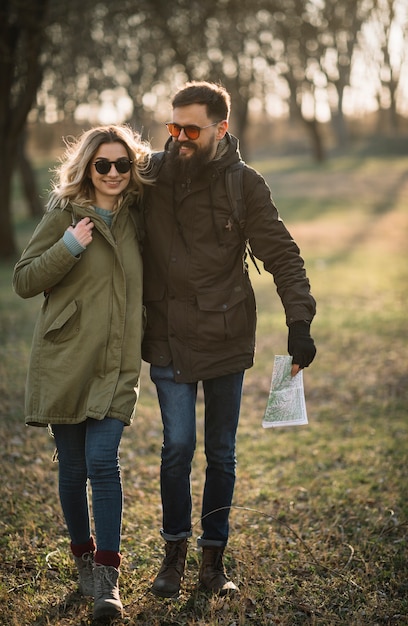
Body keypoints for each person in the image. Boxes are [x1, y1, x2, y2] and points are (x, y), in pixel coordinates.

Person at [141, 81, 317, 598]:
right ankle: (172, 555)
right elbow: (98, 198)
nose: (179, 139)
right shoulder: (150, 174)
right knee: (177, 447)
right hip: (168, 337)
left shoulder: (245, 185)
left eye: (191, 129)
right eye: (173, 128)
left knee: (222, 452)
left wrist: (299, 321)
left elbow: (282, 253)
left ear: (221, 129)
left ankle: (212, 564)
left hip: (225, 335)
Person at [12, 124, 152, 620]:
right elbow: (24, 280)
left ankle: (108, 581)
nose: (113, 173)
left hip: (116, 363)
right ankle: (82, 563)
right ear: (88, 167)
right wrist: (69, 245)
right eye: (103, 165)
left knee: (102, 463)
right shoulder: (64, 213)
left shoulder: (140, 215)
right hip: (66, 358)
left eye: (122, 164)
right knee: (72, 470)